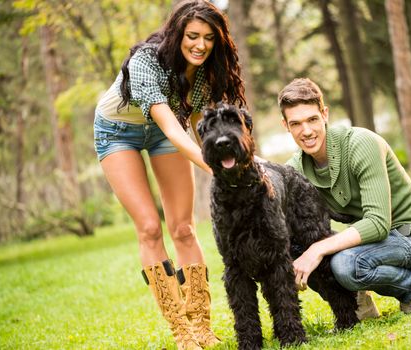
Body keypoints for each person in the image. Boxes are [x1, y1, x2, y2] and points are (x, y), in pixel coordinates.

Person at [93, 1, 246, 349]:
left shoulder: (207, 72)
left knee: (183, 227)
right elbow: (174, 130)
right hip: (118, 132)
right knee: (149, 227)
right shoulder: (146, 61)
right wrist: (216, 170)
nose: (200, 45)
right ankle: (182, 331)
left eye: (209, 38)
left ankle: (202, 326)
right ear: (177, 34)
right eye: (193, 36)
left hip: (166, 131)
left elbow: (198, 128)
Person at [278, 78, 411, 320]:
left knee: (345, 265)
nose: (307, 131)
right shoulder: (296, 169)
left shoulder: (361, 144)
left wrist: (318, 249)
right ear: (285, 126)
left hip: (410, 239)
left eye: (312, 119)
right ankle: (359, 306)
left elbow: (378, 222)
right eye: (296, 123)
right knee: (293, 247)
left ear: (325, 114)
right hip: (369, 244)